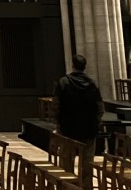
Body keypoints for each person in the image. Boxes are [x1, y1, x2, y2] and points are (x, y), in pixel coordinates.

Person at [53, 55, 104, 189]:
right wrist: (97, 121)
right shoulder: (92, 84)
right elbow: (100, 106)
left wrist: (58, 122)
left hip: (68, 128)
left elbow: (56, 105)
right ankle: (86, 186)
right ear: (84, 67)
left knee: (66, 160)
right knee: (87, 162)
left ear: (73, 65)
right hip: (88, 128)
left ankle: (67, 186)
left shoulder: (64, 82)